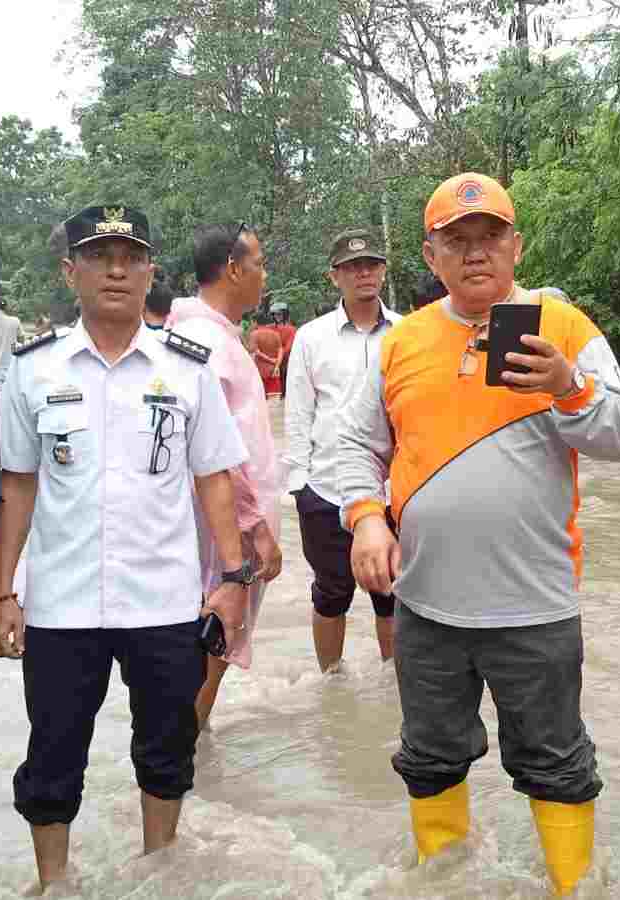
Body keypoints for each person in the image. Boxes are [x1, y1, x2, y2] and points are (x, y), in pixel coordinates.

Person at [340, 173, 620, 895]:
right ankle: (441, 881)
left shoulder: (564, 328)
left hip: (535, 604)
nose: (475, 254)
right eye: (457, 241)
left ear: (516, 246)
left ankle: (573, 888)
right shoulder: (401, 342)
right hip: (426, 606)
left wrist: (567, 386)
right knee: (430, 756)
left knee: (557, 764)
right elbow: (352, 444)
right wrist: (366, 519)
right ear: (431, 254)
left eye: (490, 239)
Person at [0, 205, 255, 891]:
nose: (115, 268)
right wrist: (3, 589)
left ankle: (159, 870)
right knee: (51, 756)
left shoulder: (186, 368)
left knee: (167, 748)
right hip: (61, 605)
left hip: (162, 599)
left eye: (131, 256)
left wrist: (230, 578)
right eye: (99, 254)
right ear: (69, 269)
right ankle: (54, 883)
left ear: (150, 271)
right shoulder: (32, 370)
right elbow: (16, 487)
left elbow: (214, 478)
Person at [168, 222, 285, 732]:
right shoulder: (202, 341)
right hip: (224, 537)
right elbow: (214, 454)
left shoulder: (220, 336)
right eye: (258, 264)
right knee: (209, 643)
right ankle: (179, 770)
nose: (264, 275)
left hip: (230, 535)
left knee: (211, 648)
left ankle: (193, 764)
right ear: (233, 269)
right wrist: (256, 528)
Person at [285, 228, 403, 672]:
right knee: (331, 594)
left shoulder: (408, 334)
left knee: (391, 591)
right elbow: (298, 414)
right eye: (353, 267)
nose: (364, 273)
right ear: (335, 276)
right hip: (325, 489)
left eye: (371, 264)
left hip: (393, 488)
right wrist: (299, 486)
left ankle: (395, 688)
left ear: (384, 270)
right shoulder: (312, 338)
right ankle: (330, 685)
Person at [250, 316, 285, 397]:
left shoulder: (254, 334)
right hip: (274, 370)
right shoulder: (275, 334)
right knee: (274, 399)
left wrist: (269, 359)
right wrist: (277, 365)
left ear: (255, 322)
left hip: (260, 370)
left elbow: (255, 351)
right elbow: (280, 350)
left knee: (261, 399)